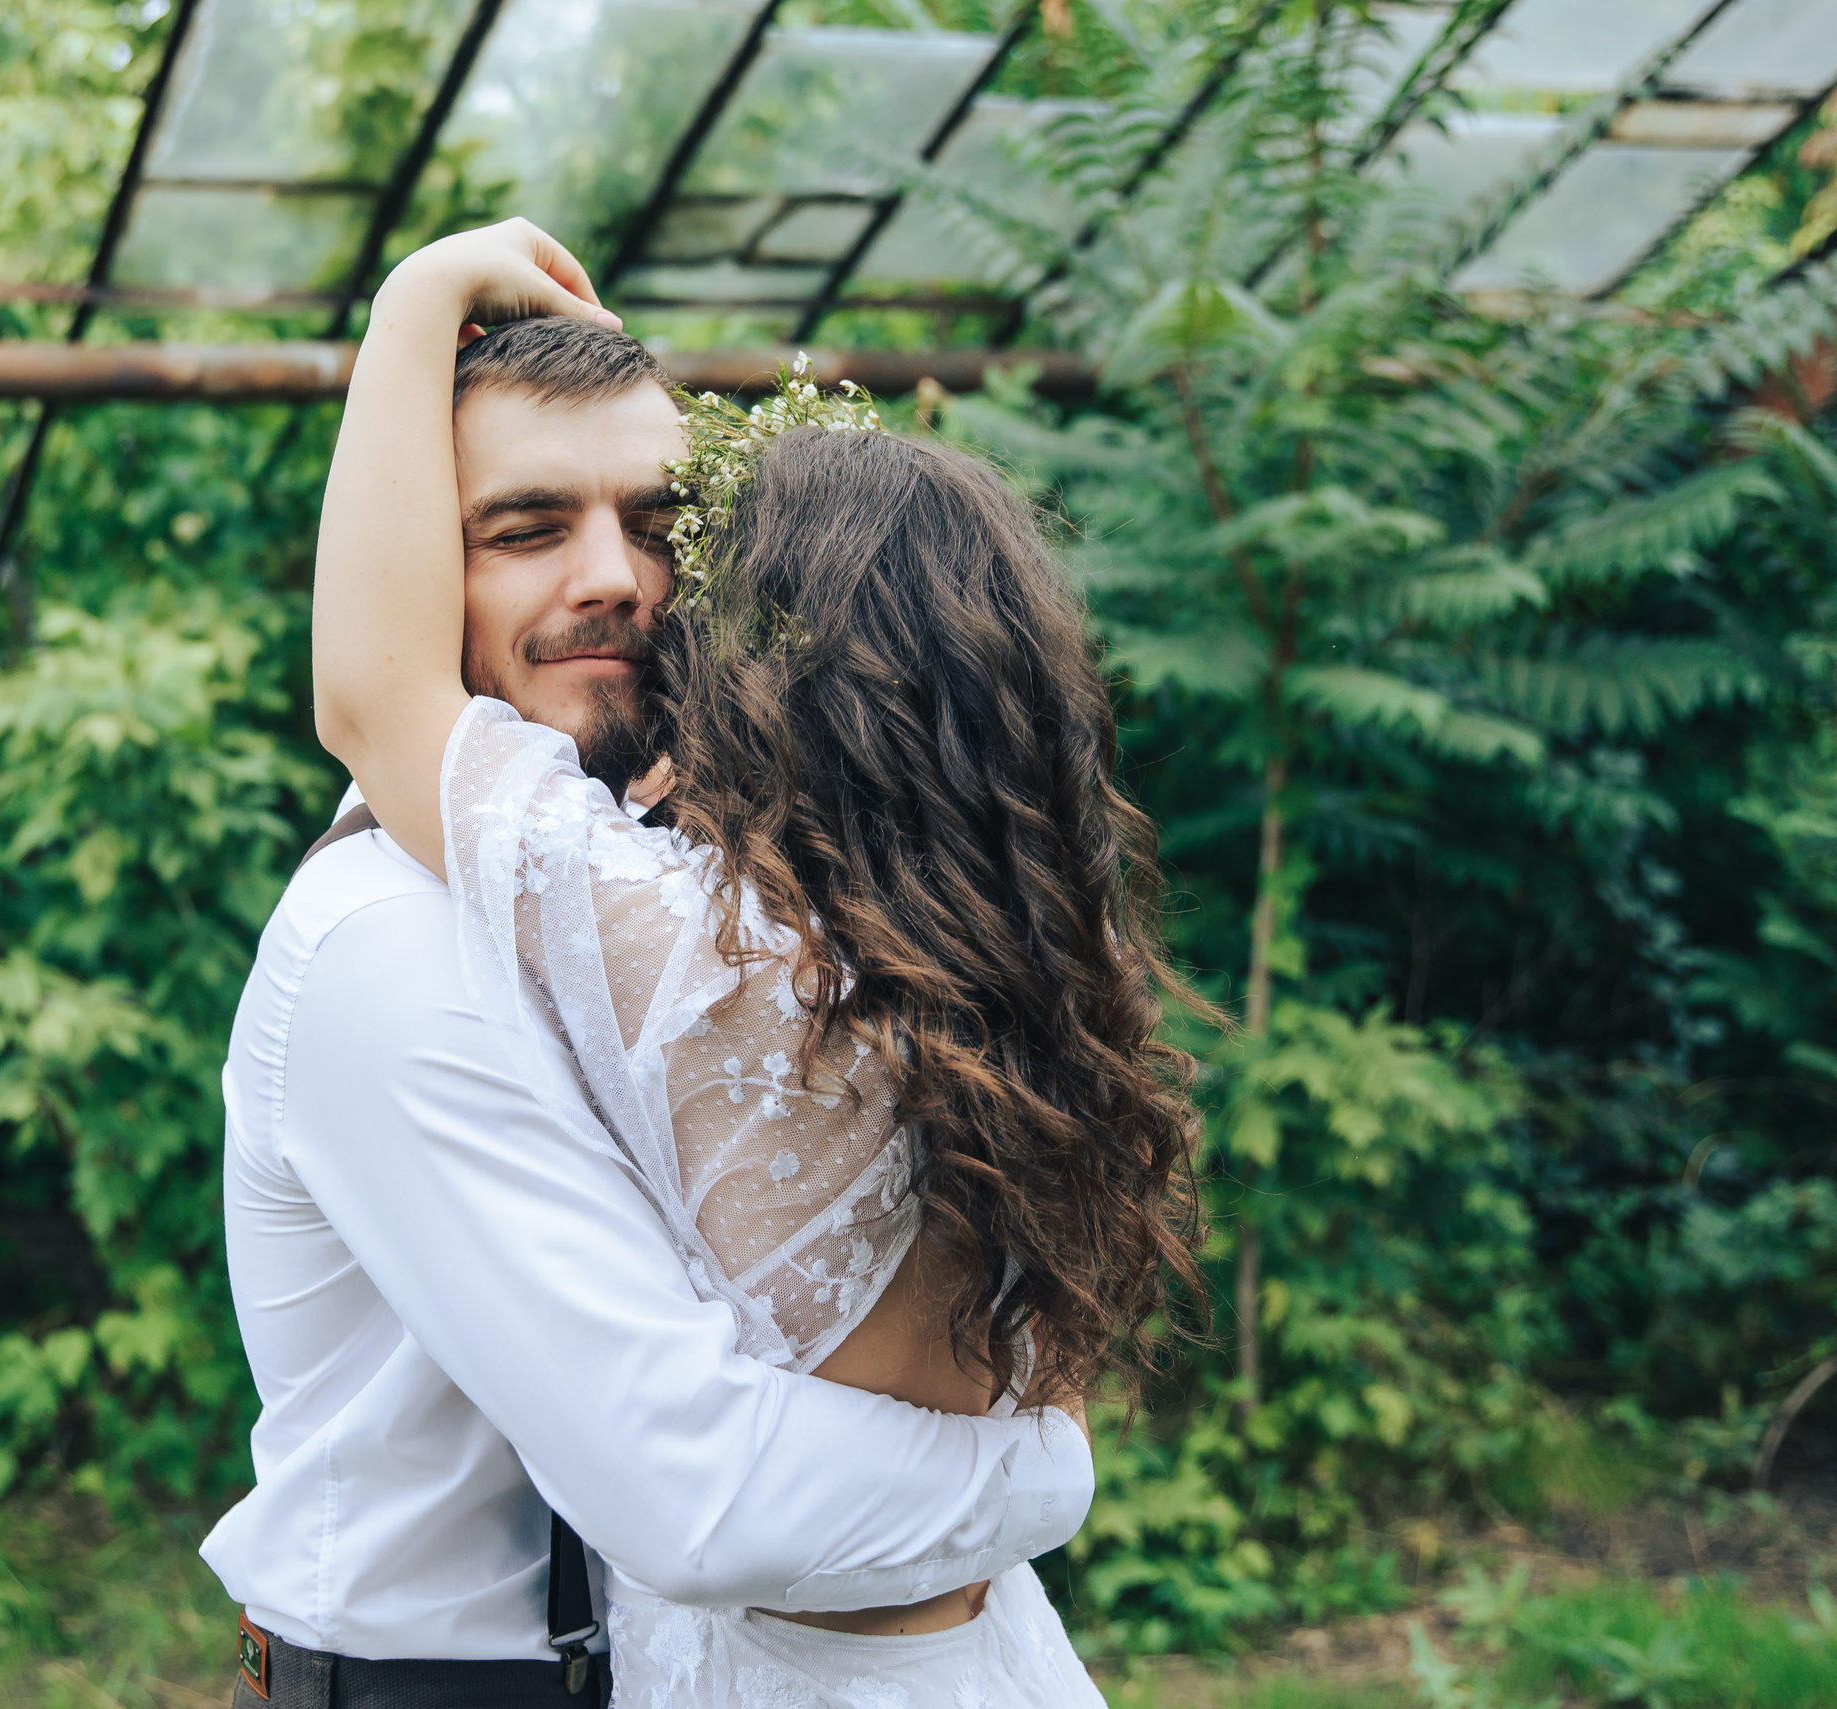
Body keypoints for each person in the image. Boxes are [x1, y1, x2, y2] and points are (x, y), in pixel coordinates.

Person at [306, 220, 1206, 1707]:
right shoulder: (1011, 982)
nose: (643, 596)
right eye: (526, 527)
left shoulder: (695, 957)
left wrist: (413, 295)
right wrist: (1041, 1477)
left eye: (677, 544)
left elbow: (374, 689)